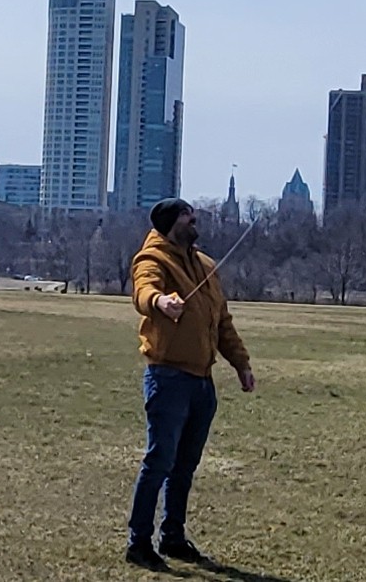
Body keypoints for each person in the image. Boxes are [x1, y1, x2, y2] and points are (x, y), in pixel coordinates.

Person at [123, 197, 253, 570]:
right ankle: (139, 542)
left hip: (202, 382)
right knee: (159, 460)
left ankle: (173, 537)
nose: (195, 221)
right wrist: (161, 302)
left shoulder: (207, 265)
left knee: (185, 466)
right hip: (168, 378)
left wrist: (241, 365)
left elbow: (223, 323)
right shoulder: (151, 259)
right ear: (171, 223)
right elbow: (142, 291)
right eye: (188, 217)